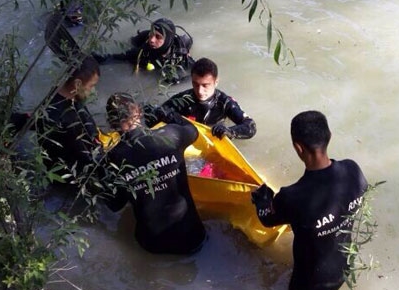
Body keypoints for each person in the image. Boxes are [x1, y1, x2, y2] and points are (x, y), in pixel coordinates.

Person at [251, 110, 368, 290]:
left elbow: (267, 219)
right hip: (345, 267)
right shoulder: (352, 170)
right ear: (330, 136)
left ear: (298, 148)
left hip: (311, 282)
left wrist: (262, 201)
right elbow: (362, 192)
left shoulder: (292, 196)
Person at [102, 92, 207, 255]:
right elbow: (193, 131)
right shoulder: (171, 135)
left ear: (111, 124)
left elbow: (115, 204)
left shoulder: (113, 158)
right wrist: (168, 115)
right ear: (139, 112)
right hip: (192, 237)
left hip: (151, 244)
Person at [148, 57, 256, 140]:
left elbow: (250, 126)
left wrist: (230, 131)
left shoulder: (225, 102)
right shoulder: (183, 99)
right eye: (195, 84)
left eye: (205, 85)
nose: (199, 91)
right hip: (189, 137)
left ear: (216, 82)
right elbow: (157, 113)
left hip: (215, 136)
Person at [36, 55, 103, 179]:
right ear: (77, 83)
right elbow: (88, 159)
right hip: (73, 177)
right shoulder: (67, 119)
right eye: (91, 86)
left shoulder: (58, 95)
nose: (93, 91)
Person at [93, 18, 194, 84]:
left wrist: (179, 81)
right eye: (151, 34)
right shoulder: (144, 50)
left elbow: (198, 73)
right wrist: (98, 59)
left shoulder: (179, 55)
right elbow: (119, 57)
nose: (151, 40)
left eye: (158, 37)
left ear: (167, 39)